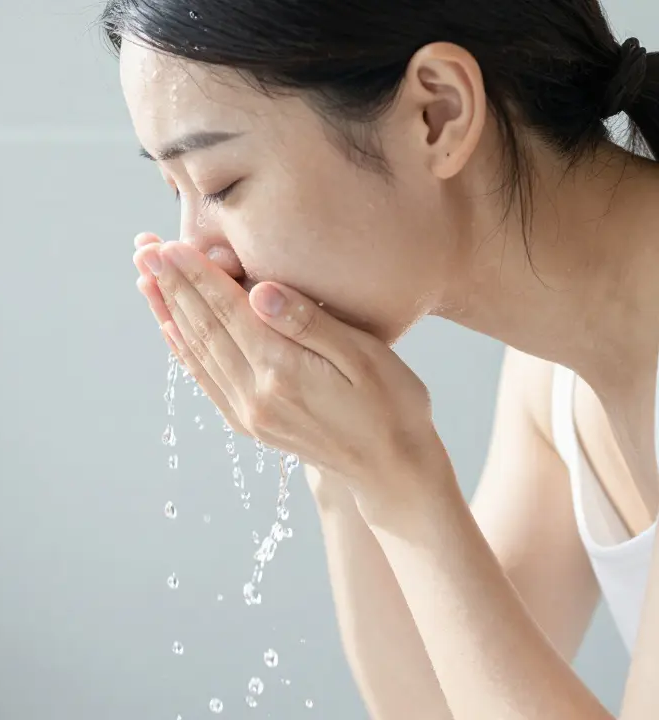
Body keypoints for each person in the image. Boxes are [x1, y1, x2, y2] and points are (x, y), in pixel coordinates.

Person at [104, 1, 659, 717]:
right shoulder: (556, 378)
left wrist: (400, 473)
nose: (200, 251)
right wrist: (344, 458)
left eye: (220, 184)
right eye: (174, 191)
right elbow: (438, 705)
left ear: (439, 113)